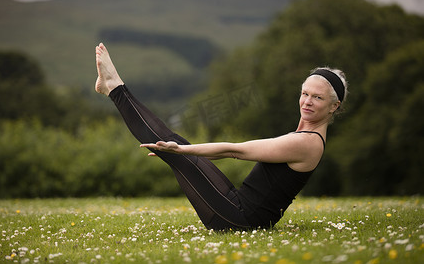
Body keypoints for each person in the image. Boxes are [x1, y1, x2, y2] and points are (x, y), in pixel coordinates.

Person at [95, 42, 348, 230]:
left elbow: (235, 151)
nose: (307, 101)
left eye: (317, 97)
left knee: (174, 146)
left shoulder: (306, 143)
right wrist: (182, 151)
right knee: (175, 145)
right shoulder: (305, 135)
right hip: (236, 204)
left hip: (238, 219)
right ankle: (110, 89)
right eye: (305, 93)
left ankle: (115, 87)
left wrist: (182, 152)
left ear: (333, 106)